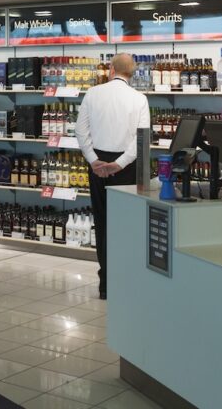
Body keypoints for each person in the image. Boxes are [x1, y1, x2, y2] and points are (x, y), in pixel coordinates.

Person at [76, 52, 150, 300]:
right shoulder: (139, 99)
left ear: (110, 69)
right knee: (126, 225)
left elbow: (81, 131)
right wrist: (118, 165)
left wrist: (94, 160)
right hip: (126, 167)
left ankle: (105, 283)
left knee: (102, 221)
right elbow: (142, 140)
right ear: (133, 72)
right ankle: (125, 281)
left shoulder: (93, 93)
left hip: (97, 165)